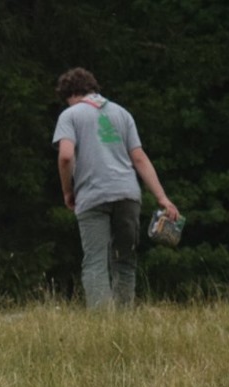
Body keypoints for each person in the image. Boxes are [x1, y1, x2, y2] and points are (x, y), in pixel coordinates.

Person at [52, 68, 180, 310]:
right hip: (128, 194)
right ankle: (124, 322)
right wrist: (162, 198)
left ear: (71, 94)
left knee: (96, 262)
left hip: (92, 196)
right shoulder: (122, 113)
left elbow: (66, 157)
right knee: (125, 260)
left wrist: (68, 191)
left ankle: (102, 324)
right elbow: (139, 158)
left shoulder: (70, 115)